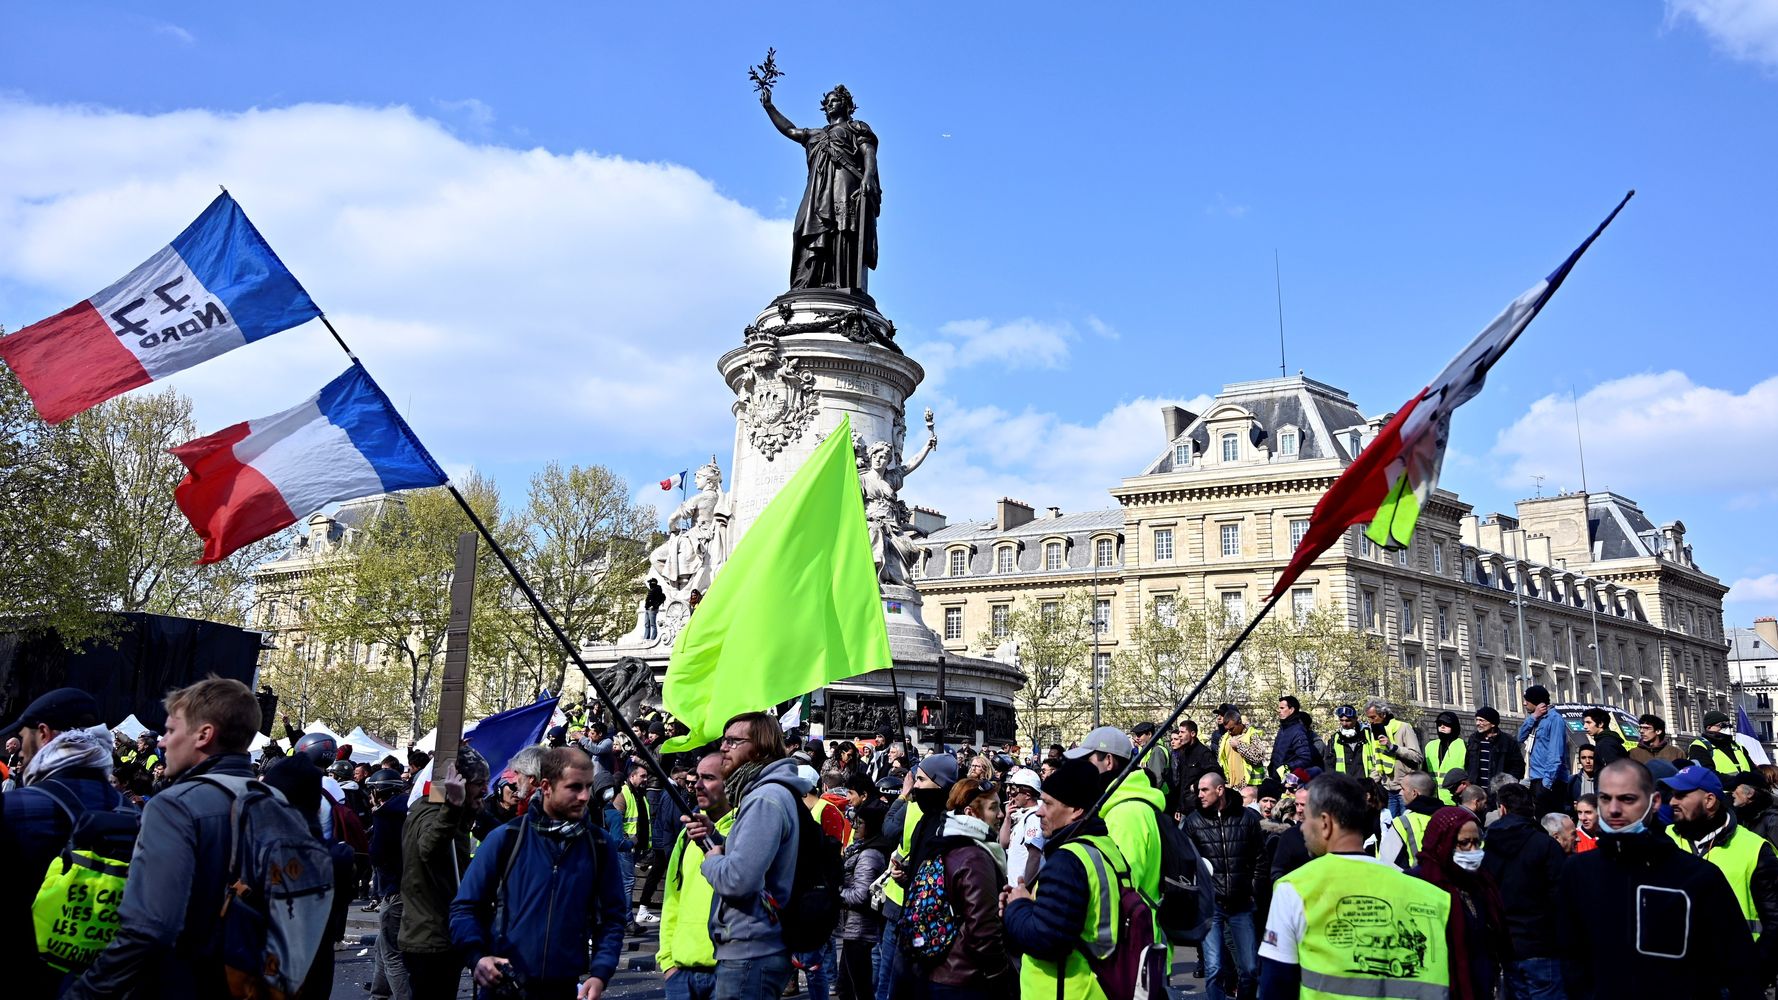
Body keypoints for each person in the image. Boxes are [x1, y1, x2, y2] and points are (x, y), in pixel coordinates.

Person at [64, 678, 273, 1000]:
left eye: (171, 731)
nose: (162, 743)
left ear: (204, 735)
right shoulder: (280, 804)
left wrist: (85, 993)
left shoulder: (176, 805)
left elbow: (149, 929)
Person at [1257, 773, 1454, 1000]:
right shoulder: (1432, 896)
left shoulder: (1294, 889)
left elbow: (1276, 986)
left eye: (1306, 819)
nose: (1302, 828)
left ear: (1325, 823)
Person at [452, 746, 627, 1000]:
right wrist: (477, 957)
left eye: (588, 786)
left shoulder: (599, 845)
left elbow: (613, 917)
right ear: (546, 786)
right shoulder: (506, 838)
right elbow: (465, 908)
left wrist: (600, 973)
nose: (584, 796)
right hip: (503, 988)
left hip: (563, 989)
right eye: (575, 787)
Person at [0, 689, 123, 996]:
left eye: (23, 737)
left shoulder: (13, 809)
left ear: (43, 734)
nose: (21, 751)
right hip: (98, 984)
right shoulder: (132, 812)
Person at [680, 712, 804, 1000]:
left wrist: (711, 861)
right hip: (751, 945)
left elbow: (739, 880)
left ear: (760, 747)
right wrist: (716, 837)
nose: (724, 747)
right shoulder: (762, 794)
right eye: (725, 740)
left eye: (734, 741)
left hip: (751, 949)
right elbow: (754, 860)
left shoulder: (764, 799)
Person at [1001, 756, 1126, 1000]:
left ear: (1076, 810)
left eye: (1047, 803)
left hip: (1066, 990)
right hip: (1095, 986)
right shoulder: (1104, 846)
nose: (1038, 811)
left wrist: (1017, 907)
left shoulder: (1067, 861)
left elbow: (1046, 939)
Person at [1659, 765, 1778, 980]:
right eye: (1672, 795)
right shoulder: (1662, 839)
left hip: (1732, 977)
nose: (1672, 802)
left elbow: (1775, 920)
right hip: (1674, 976)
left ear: (1709, 800)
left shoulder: (1754, 848)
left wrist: (1755, 972)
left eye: (1682, 795)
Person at [400, 748, 491, 1000]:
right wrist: (454, 806)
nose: (485, 790)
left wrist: (465, 809)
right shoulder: (432, 809)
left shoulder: (439, 805)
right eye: (479, 783)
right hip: (430, 939)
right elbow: (429, 848)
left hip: (440, 934)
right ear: (458, 783)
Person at [915, 778, 1012, 998]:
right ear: (970, 813)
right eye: (993, 808)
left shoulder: (945, 841)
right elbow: (983, 926)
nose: (1000, 815)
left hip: (940, 970)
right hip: (965, 978)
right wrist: (999, 973)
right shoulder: (975, 857)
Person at [1479, 780, 1566, 1000]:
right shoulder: (1546, 845)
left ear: (1502, 809)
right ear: (1532, 809)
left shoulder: (1488, 847)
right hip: (1542, 945)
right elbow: (1561, 898)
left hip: (1507, 946)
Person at [1409, 806, 1509, 1000]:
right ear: (1442, 842)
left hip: (1480, 985)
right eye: (1464, 843)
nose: (1473, 850)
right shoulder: (1419, 883)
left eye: (1476, 843)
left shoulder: (1481, 883)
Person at [658, 753, 734, 1000]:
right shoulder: (685, 836)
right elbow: (672, 899)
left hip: (729, 972)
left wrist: (718, 839)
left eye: (708, 778)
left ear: (730, 783)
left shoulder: (745, 830)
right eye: (696, 778)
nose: (697, 785)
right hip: (681, 972)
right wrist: (667, 960)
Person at [1187, 771, 1265, 1000]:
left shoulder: (1247, 818)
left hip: (1242, 904)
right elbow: (1186, 863)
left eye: (1204, 790)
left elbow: (1260, 858)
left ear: (1219, 790)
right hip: (1211, 906)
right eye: (1198, 790)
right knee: (1214, 968)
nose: (1199, 795)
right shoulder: (1194, 822)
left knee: (1250, 968)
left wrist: (1253, 890)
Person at [365, 767, 411, 1000]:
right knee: (381, 947)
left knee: (393, 954)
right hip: (412, 888)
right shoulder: (410, 808)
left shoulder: (384, 815)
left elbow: (378, 854)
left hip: (394, 890)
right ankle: (378, 994)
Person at [836, 801, 888, 1000]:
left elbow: (860, 895)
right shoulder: (863, 848)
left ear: (872, 826)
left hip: (859, 929)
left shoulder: (869, 855)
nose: (855, 826)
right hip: (853, 929)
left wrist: (836, 892)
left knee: (860, 989)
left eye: (860, 822)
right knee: (848, 988)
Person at [1516, 686, 1571, 817]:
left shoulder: (1555, 719)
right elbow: (1520, 736)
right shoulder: (1536, 719)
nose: (1524, 703)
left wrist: (1546, 784)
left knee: (1552, 822)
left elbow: (1555, 753)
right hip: (1536, 778)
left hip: (1551, 781)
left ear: (1537, 702)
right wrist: (1533, 717)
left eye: (1527, 700)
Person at [1364, 699, 1423, 816]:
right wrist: (1368, 785)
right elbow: (1378, 762)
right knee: (1392, 828)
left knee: (1406, 827)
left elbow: (1417, 757)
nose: (1370, 721)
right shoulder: (1375, 732)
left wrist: (1393, 747)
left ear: (1383, 714)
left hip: (1405, 790)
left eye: (1373, 717)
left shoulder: (1404, 727)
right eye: (1368, 718)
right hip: (1388, 790)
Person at [1379, 772, 1442, 869]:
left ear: (1414, 793)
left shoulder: (1403, 822)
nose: (1400, 793)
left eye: (1403, 789)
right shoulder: (1448, 816)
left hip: (1415, 880)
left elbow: (1386, 863)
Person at [1000, 767, 1045, 889]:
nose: (1010, 793)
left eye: (1014, 790)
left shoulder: (1034, 818)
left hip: (1023, 890)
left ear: (1028, 794)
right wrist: (1007, 818)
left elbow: (1034, 856)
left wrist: (1024, 888)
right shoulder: (1023, 815)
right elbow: (1003, 843)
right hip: (1014, 887)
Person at [1168, 720, 1217, 821]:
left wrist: (1196, 786)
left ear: (1193, 734)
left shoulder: (1204, 754)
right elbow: (1181, 784)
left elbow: (1215, 775)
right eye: (1179, 732)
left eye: (1183, 732)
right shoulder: (1183, 754)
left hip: (1199, 809)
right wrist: (1179, 807)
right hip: (1185, 809)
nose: (1180, 735)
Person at [1465, 708, 1525, 789]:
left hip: (1498, 791)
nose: (1477, 723)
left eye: (1481, 720)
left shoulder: (1507, 741)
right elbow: (1467, 763)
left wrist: (1508, 785)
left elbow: (1518, 766)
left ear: (1493, 724)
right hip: (1476, 790)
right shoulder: (1473, 739)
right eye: (1477, 720)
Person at [1691, 710, 1758, 776]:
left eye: (1729, 725)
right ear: (1709, 727)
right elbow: (1707, 774)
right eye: (1722, 725)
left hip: (1747, 786)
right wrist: (1737, 781)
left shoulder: (1737, 747)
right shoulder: (1699, 746)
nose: (1727, 728)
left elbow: (1755, 771)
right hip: (1721, 786)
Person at [1267, 696, 1317, 781]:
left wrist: (1287, 767)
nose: (1279, 711)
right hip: (1276, 779)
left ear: (1291, 710)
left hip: (1289, 782)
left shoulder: (1298, 731)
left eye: (1282, 708)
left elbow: (1305, 758)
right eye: (1279, 708)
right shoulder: (1283, 728)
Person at [1425, 711, 1468, 805]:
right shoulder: (1430, 746)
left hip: (1455, 799)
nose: (1442, 726)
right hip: (1433, 799)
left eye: (1446, 724)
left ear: (1454, 726)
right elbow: (1425, 771)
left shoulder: (1463, 746)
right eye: (1439, 724)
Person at [1218, 708, 1267, 789]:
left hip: (1251, 785)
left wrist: (1239, 745)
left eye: (1231, 729)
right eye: (1227, 730)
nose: (1229, 732)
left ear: (1239, 723)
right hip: (1233, 785)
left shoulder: (1251, 734)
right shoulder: (1224, 738)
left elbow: (1258, 757)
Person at [1326, 705, 1372, 780]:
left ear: (1356, 719)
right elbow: (1329, 765)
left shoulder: (1368, 736)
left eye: (1348, 720)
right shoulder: (1335, 739)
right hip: (1344, 786)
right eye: (1341, 720)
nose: (1344, 724)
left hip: (1365, 785)